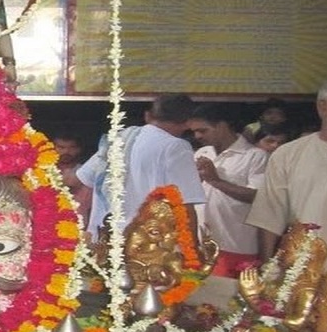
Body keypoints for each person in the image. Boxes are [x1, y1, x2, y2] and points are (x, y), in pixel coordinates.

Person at [246, 79, 327, 278]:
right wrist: (267, 271)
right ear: (322, 107)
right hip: (304, 273)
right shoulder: (288, 154)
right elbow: (269, 215)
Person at [76, 94, 206, 241]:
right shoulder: (176, 147)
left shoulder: (118, 139)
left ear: (148, 116)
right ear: (188, 122)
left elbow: (85, 183)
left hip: (104, 242)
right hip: (147, 249)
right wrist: (193, 255)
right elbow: (184, 206)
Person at [188, 103, 269, 277]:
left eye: (203, 130)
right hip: (200, 245)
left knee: (229, 301)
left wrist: (214, 180)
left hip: (235, 244)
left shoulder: (255, 156)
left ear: (222, 126)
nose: (197, 136)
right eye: (194, 131)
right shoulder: (202, 152)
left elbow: (258, 196)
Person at [52, 133, 91, 225]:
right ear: (53, 148)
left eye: (72, 147)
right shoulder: (42, 172)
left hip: (80, 226)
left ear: (79, 149)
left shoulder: (87, 172)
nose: (66, 152)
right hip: (48, 226)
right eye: (61, 147)